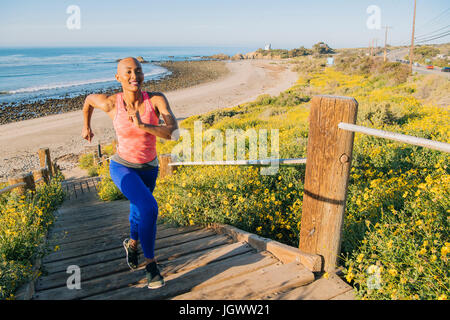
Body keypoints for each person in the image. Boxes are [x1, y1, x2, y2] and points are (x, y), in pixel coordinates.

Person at [81, 57, 179, 289]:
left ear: (143, 74)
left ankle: (132, 244)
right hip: (122, 166)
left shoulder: (156, 100)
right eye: (128, 72)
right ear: (118, 77)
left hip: (150, 168)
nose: (134, 76)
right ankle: (151, 266)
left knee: (138, 211)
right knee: (149, 208)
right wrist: (86, 125)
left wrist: (143, 126)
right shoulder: (110, 103)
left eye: (138, 71)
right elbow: (87, 101)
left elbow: (173, 133)